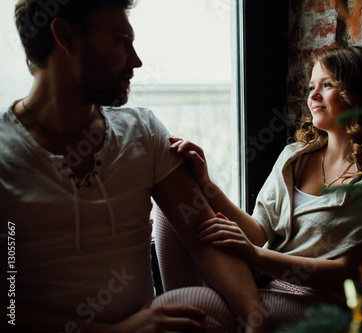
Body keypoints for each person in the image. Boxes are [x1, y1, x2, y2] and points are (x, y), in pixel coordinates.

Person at [0, 1, 270, 332]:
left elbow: (206, 241)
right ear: (65, 36)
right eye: (120, 40)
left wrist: (256, 316)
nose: (136, 60)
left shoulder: (142, 131)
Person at [161, 45, 362, 330]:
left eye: (327, 85)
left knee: (181, 305)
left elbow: (342, 273)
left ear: (359, 94)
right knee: (172, 203)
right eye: (312, 86)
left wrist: (254, 256)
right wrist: (206, 185)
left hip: (316, 299)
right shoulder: (295, 156)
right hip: (261, 278)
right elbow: (257, 231)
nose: (313, 96)